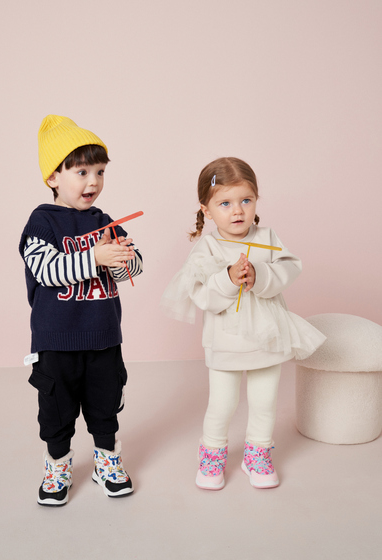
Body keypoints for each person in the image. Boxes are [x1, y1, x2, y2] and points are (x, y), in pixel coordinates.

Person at [161, 157, 325, 490]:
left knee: (265, 402)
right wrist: (228, 277)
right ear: (207, 210)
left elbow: (289, 267)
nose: (237, 211)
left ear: (256, 201)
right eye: (225, 203)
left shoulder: (267, 237)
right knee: (223, 404)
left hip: (267, 338)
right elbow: (203, 296)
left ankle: (257, 455)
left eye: (245, 200)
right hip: (226, 341)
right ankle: (212, 456)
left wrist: (259, 274)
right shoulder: (207, 247)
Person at [19, 115, 143, 506]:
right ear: (53, 177)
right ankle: (57, 465)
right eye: (82, 172)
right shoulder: (42, 221)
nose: (94, 181)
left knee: (105, 404)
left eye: (100, 172)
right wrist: (95, 257)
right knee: (56, 411)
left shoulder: (104, 222)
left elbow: (133, 268)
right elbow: (47, 271)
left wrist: (123, 257)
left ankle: (107, 460)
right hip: (56, 340)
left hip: (103, 336)